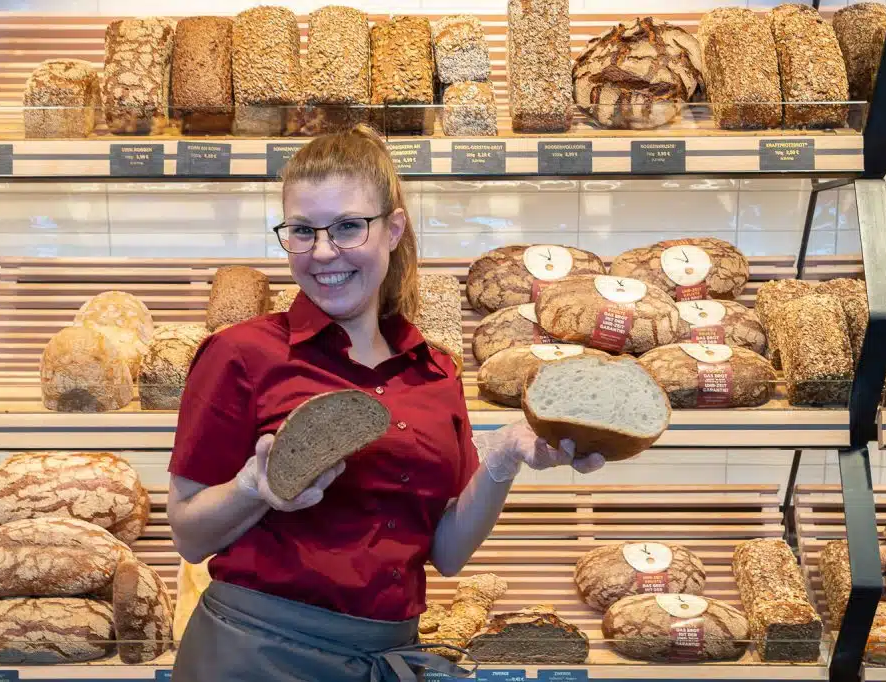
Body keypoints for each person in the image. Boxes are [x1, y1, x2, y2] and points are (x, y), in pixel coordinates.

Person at [167, 125, 605, 682]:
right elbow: (189, 534)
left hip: (388, 656)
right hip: (255, 656)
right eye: (302, 231)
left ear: (393, 229)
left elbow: (446, 553)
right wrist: (257, 486)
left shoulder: (435, 370)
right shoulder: (241, 354)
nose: (324, 253)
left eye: (349, 227)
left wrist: (504, 456)